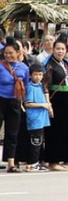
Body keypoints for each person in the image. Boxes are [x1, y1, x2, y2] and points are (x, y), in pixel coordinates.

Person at [43, 36, 68, 170]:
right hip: (56, 99)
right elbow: (45, 85)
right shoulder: (50, 64)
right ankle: (52, 161)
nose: (60, 51)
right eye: (58, 49)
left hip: (67, 98)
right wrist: (48, 103)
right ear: (53, 49)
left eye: (63, 49)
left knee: (65, 130)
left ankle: (61, 159)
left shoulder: (66, 63)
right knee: (54, 130)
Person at [0, 37, 28, 173]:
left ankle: (11, 163)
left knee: (12, 133)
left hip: (15, 102)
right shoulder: (0, 65)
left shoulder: (24, 67)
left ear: (18, 53)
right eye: (6, 53)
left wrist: (25, 102)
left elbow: (26, 86)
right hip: (0, 100)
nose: (8, 56)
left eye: (11, 53)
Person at [24, 63, 51, 171]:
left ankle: (38, 162)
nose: (38, 77)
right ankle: (32, 163)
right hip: (34, 119)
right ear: (30, 75)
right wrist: (42, 105)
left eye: (40, 74)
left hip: (41, 119)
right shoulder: (30, 87)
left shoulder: (40, 86)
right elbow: (27, 103)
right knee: (35, 142)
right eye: (36, 75)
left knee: (40, 142)